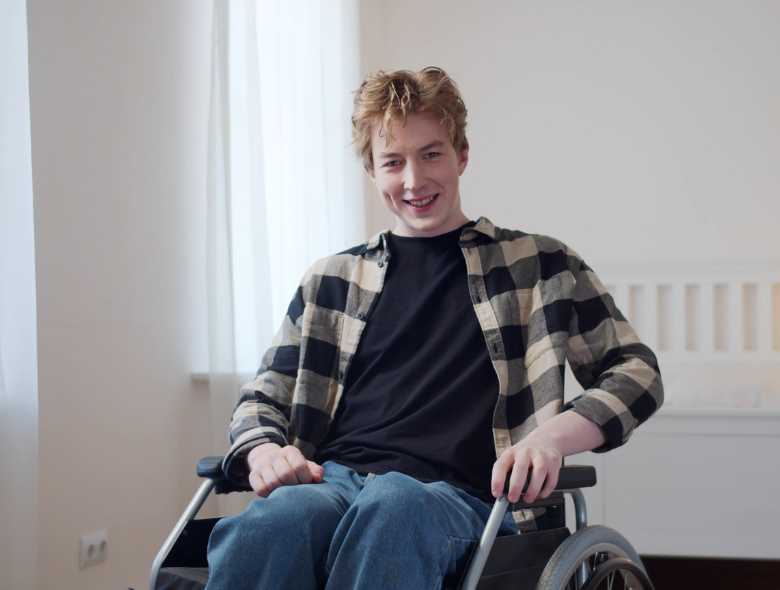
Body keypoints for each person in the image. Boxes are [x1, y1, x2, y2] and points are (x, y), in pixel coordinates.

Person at [205, 66, 664, 590]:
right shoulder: (331, 281)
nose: (413, 181)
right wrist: (265, 451)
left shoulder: (539, 266)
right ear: (371, 171)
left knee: (393, 506)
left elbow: (637, 373)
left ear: (461, 155)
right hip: (334, 485)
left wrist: (551, 439)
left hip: (467, 501)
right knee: (273, 522)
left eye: (431, 154)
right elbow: (261, 398)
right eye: (392, 162)